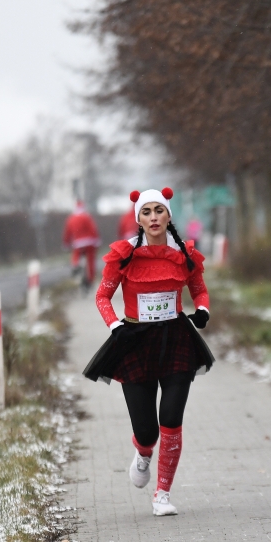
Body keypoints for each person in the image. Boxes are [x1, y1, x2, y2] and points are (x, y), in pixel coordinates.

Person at [83, 187, 214, 516]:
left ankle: (163, 495)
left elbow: (199, 290)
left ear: (169, 215)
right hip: (134, 341)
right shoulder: (125, 254)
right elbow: (102, 296)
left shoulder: (183, 252)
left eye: (159, 210)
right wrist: (115, 325)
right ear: (138, 219)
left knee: (171, 418)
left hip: (176, 339)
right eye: (146, 212)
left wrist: (202, 310)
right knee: (147, 431)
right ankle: (143, 453)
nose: (153, 217)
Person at [63, 201, 101, 291]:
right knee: (91, 260)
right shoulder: (87, 217)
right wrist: (97, 240)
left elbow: (67, 232)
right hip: (89, 242)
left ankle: (75, 264)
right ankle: (90, 279)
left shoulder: (71, 219)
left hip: (78, 243)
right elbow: (93, 229)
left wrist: (66, 243)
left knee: (76, 253)